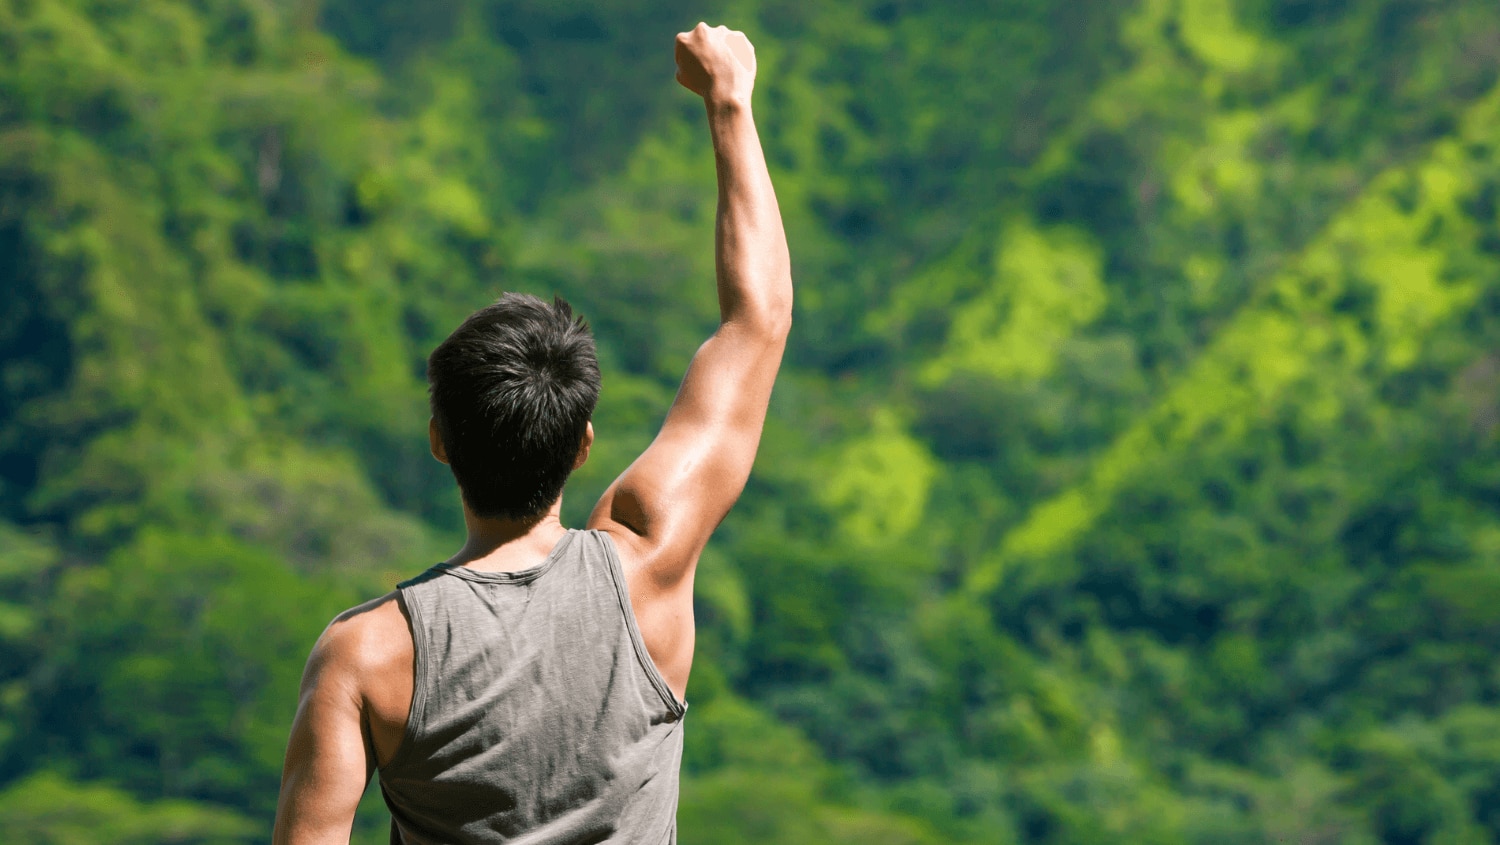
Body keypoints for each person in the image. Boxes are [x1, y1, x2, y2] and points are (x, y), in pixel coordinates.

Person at [271, 22, 792, 845]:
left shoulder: (367, 655)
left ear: (440, 440)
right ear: (582, 443)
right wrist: (730, 104)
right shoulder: (649, 567)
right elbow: (758, 322)